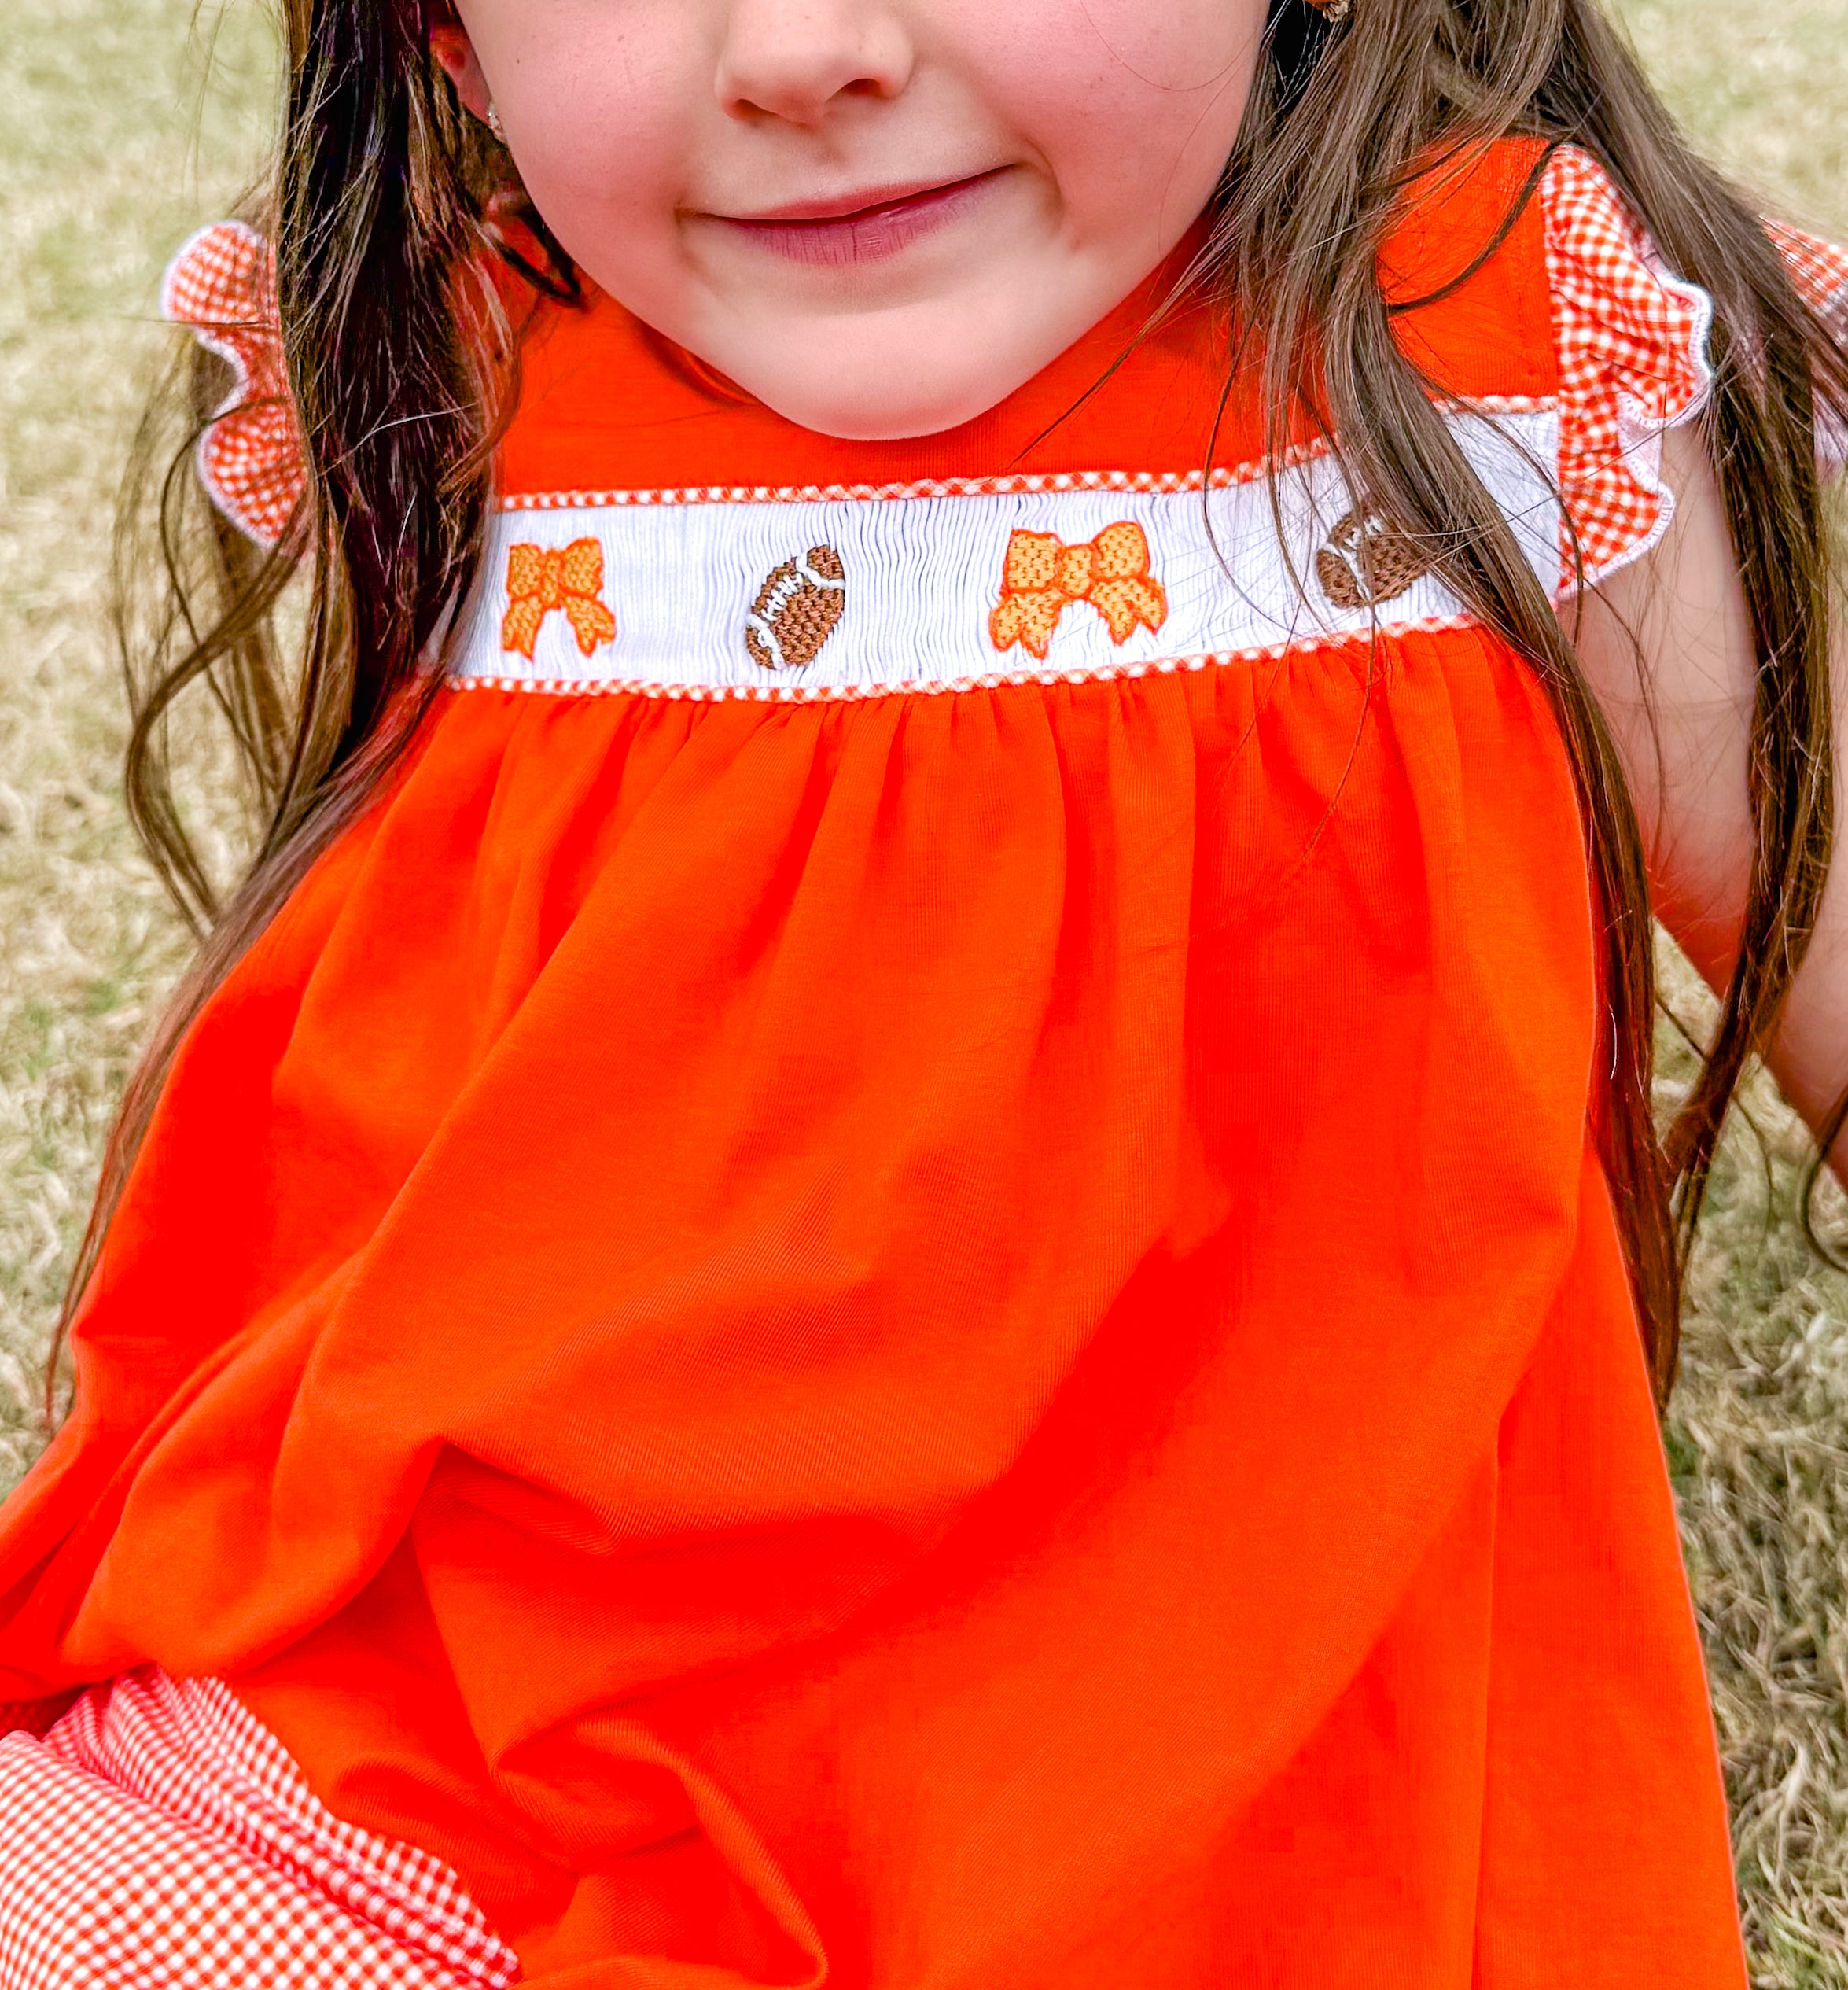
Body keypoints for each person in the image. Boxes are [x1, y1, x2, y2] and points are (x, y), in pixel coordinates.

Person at [2, 0, 1846, 1981]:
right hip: (416, 1755)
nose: (804, 51)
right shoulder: (473, 379)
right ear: (445, 38)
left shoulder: (1483, 359)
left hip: (1221, 1825)